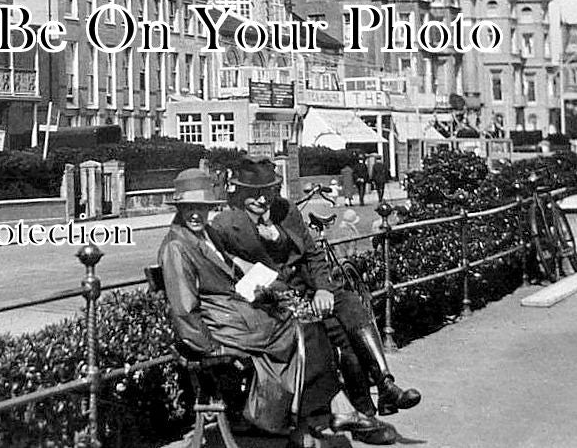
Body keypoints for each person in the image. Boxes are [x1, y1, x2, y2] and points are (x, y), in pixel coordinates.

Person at [208, 158, 420, 446]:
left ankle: (385, 384)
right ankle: (363, 415)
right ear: (240, 192)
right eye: (255, 193)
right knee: (337, 334)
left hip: (308, 291)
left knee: (348, 303)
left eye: (268, 192)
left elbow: (313, 255)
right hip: (275, 302)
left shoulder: (285, 210)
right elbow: (227, 274)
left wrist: (324, 290)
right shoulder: (225, 225)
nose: (263, 199)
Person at [157, 168, 339, 441]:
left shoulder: (204, 234)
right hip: (220, 325)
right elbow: (185, 310)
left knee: (305, 327)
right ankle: (302, 419)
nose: (196, 214)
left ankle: (301, 419)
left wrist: (262, 284)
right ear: (179, 208)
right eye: (188, 208)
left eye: (201, 207)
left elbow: (230, 265)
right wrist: (212, 348)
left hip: (234, 315)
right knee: (303, 330)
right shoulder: (177, 246)